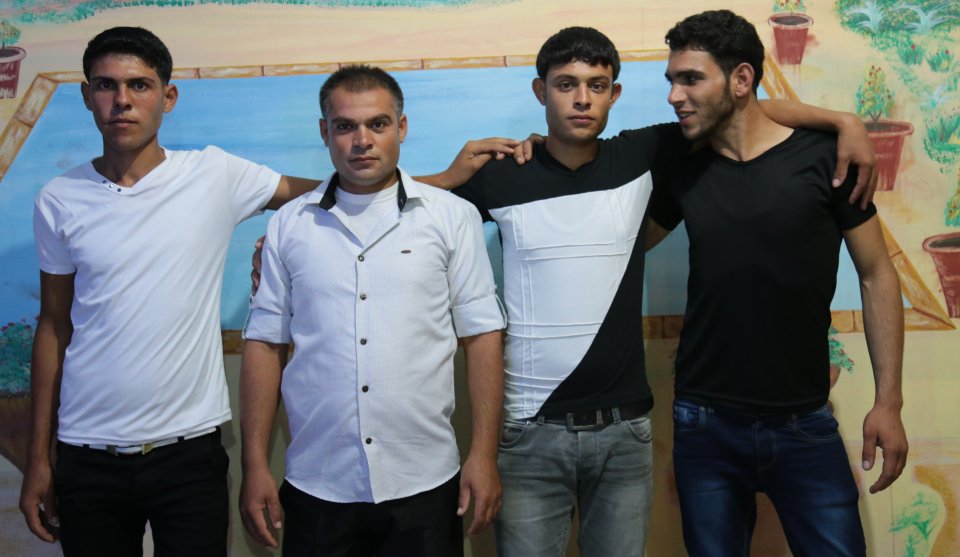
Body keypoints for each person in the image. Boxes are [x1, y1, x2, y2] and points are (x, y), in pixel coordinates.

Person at [248, 27, 878, 556]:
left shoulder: (648, 153)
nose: (581, 99)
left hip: (626, 433)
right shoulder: (501, 173)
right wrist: (306, 233)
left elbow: (737, 110)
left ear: (615, 94)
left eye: (597, 85)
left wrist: (840, 121)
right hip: (529, 435)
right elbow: (397, 204)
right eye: (566, 84)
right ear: (539, 91)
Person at [19, 26, 319, 556]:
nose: (122, 100)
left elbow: (334, 191)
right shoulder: (59, 198)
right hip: (86, 456)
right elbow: (54, 324)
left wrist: (443, 181)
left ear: (168, 96)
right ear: (87, 96)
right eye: (106, 85)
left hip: (189, 453)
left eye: (139, 85)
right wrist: (39, 458)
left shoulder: (214, 174)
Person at [646, 10, 908, 556]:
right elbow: (623, 248)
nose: (674, 95)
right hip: (703, 422)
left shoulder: (826, 159)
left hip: (804, 421)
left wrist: (888, 402)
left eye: (690, 79)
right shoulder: (683, 166)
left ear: (741, 79)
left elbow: (876, 273)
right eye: (671, 80)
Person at [238, 65, 506, 557]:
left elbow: (482, 335)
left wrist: (484, 455)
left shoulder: (451, 217)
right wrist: (254, 464)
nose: (362, 140)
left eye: (377, 124)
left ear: (401, 127)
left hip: (425, 481)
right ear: (325, 131)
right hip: (317, 482)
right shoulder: (290, 225)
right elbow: (264, 344)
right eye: (345, 126)